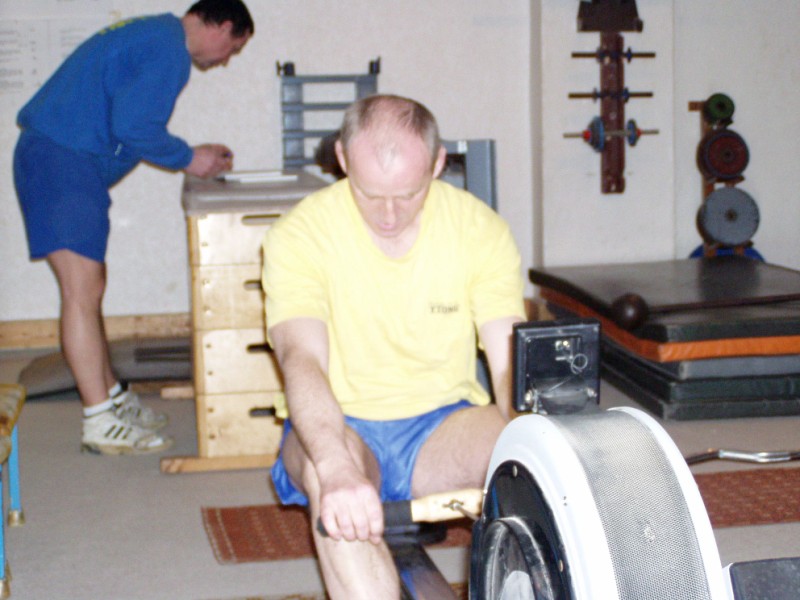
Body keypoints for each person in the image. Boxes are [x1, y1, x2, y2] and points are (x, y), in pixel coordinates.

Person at [262, 94, 526, 599]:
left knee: (534, 454)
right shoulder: (298, 235)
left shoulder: (481, 231)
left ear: (438, 163)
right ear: (342, 159)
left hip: (442, 427)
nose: (388, 215)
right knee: (325, 468)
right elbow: (302, 360)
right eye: (369, 194)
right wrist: (338, 469)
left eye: (408, 194)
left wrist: (537, 446)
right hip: (341, 425)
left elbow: (508, 364)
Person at [13, 0, 254, 456]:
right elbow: (135, 126)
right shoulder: (169, 49)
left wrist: (189, 153)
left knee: (90, 288)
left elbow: (128, 122)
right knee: (81, 291)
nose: (225, 60)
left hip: (62, 161)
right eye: (233, 48)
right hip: (61, 162)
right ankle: (99, 419)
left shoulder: (156, 36)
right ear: (223, 26)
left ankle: (111, 397)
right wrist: (190, 158)